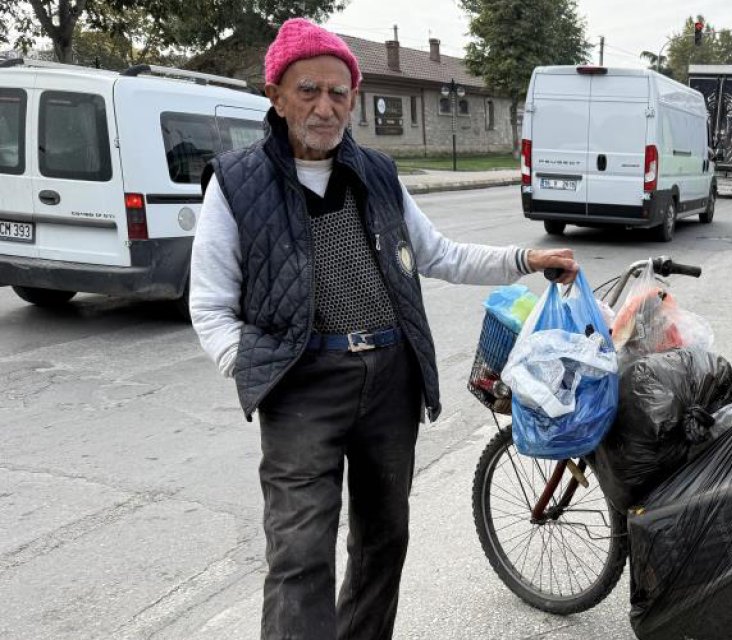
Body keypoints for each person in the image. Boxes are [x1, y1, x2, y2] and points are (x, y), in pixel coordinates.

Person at [188, 19, 578, 639]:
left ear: (354, 98)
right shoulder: (238, 183)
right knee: (299, 555)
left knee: (383, 541)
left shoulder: (376, 172)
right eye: (309, 90)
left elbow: (440, 254)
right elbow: (209, 307)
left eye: (339, 93)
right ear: (276, 95)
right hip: (301, 386)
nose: (325, 107)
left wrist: (526, 259)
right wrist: (261, 369)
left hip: (388, 380)